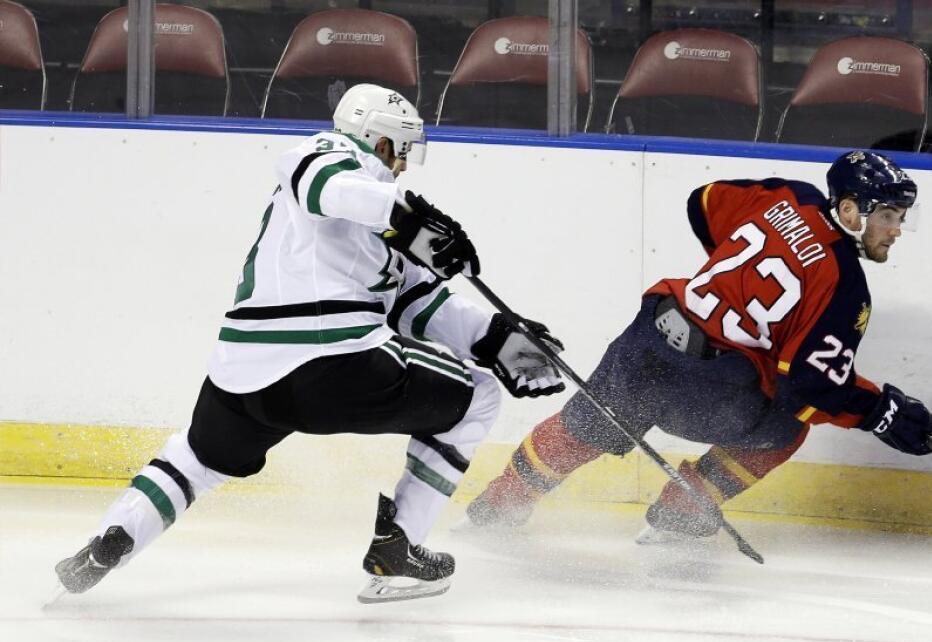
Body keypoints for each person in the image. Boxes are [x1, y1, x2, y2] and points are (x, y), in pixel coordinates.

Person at [53, 84, 566, 602]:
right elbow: (324, 184)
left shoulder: (381, 225)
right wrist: (404, 216)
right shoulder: (329, 155)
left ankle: (112, 539)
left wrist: (498, 337)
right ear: (381, 141)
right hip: (336, 365)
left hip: (243, 376)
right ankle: (400, 548)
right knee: (478, 396)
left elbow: (418, 304)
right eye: (403, 152)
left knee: (194, 459)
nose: (405, 167)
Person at [464, 150, 932, 543]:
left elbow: (703, 202)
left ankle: (495, 509)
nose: (896, 229)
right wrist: (881, 411)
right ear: (848, 210)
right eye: (887, 216)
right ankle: (679, 518)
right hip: (709, 389)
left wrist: (732, 276)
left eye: (901, 217)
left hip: (648, 338)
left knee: (584, 427)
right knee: (788, 424)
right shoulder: (845, 285)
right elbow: (815, 385)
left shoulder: (786, 196)